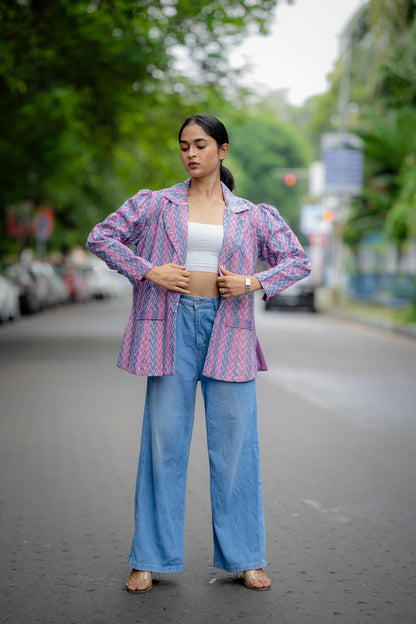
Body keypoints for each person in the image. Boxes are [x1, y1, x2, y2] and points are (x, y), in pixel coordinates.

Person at [86, 113, 311, 593]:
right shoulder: (155, 204)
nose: (191, 153)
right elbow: (101, 236)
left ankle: (246, 558)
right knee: (164, 445)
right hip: (169, 327)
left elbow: (297, 260)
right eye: (184, 145)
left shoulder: (254, 214)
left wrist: (253, 281)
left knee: (235, 449)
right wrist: (149, 271)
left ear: (222, 150)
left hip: (229, 330)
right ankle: (148, 559)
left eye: (201, 145)